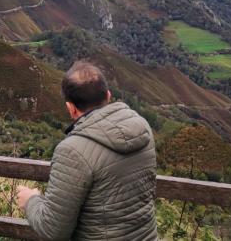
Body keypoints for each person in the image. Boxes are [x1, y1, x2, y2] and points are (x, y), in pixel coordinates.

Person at [16, 61, 158, 240]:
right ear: (108, 95)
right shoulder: (142, 127)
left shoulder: (72, 150)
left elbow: (53, 230)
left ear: (71, 108)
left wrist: (31, 201)